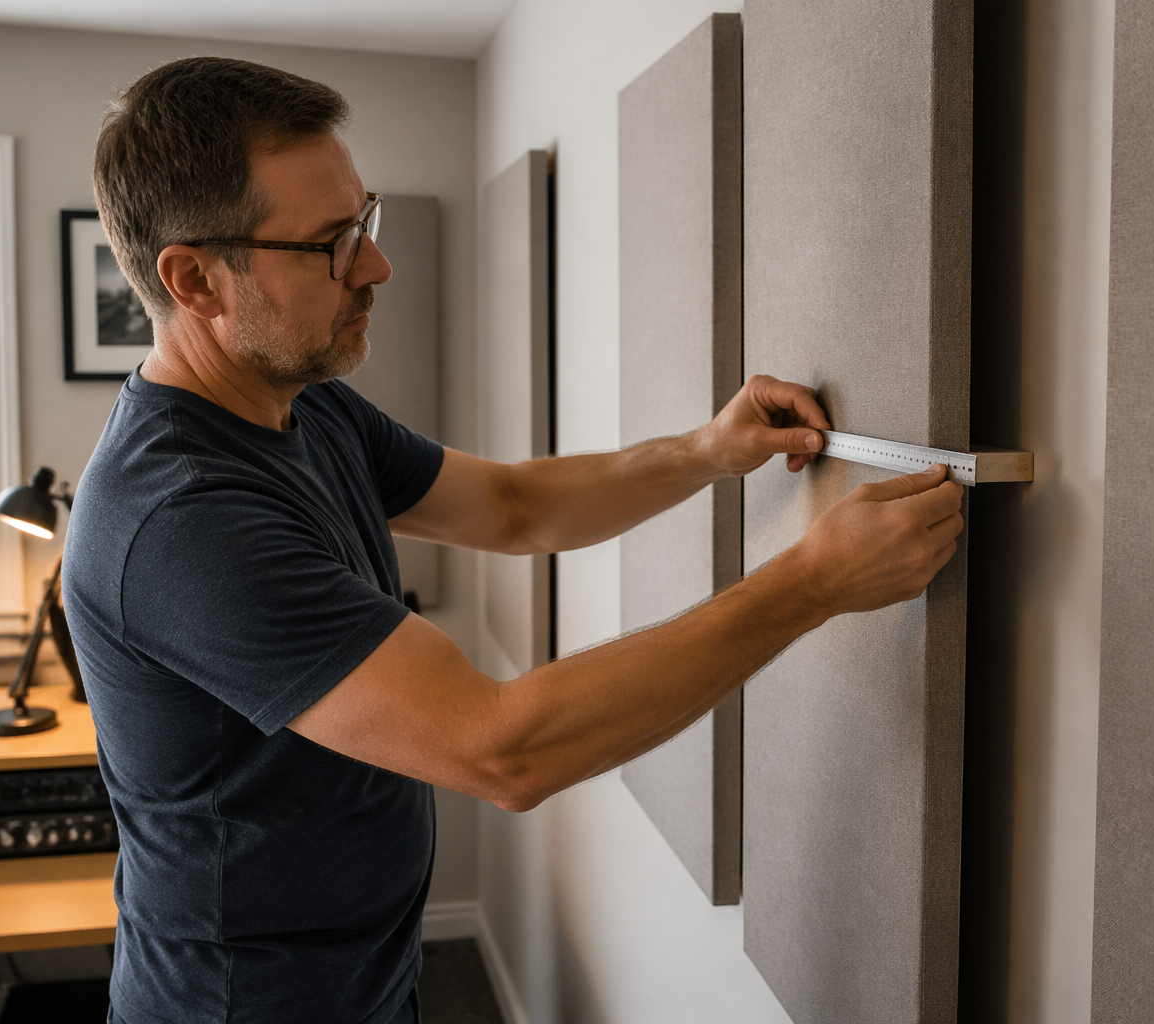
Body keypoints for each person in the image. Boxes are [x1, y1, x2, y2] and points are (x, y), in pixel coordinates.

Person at [63, 56, 963, 1024]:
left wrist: (706, 450)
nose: (376, 265)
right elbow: (502, 751)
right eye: (332, 244)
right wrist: (810, 585)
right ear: (196, 279)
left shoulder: (301, 403)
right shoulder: (182, 517)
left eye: (363, 221)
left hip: (365, 983)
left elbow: (510, 505)